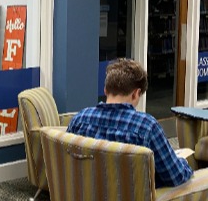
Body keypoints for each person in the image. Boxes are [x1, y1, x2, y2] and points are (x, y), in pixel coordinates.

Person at [67, 58, 193, 187]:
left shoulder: (80, 119)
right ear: (136, 94)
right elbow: (175, 177)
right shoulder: (146, 126)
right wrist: (184, 163)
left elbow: (67, 163)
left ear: (105, 90)